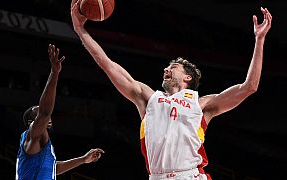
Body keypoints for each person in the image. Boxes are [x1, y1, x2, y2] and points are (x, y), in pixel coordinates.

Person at [71, 0, 272, 179]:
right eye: (167, 67)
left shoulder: (202, 103)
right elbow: (107, 64)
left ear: (187, 77)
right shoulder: (148, 98)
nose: (166, 69)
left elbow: (249, 87)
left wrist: (259, 40)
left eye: (173, 67)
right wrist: (81, 31)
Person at [16, 44, 104, 180]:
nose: (46, 114)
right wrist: (54, 73)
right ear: (30, 122)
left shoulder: (40, 149)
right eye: (37, 112)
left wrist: (83, 159)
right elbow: (45, 112)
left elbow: (53, 169)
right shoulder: (30, 138)